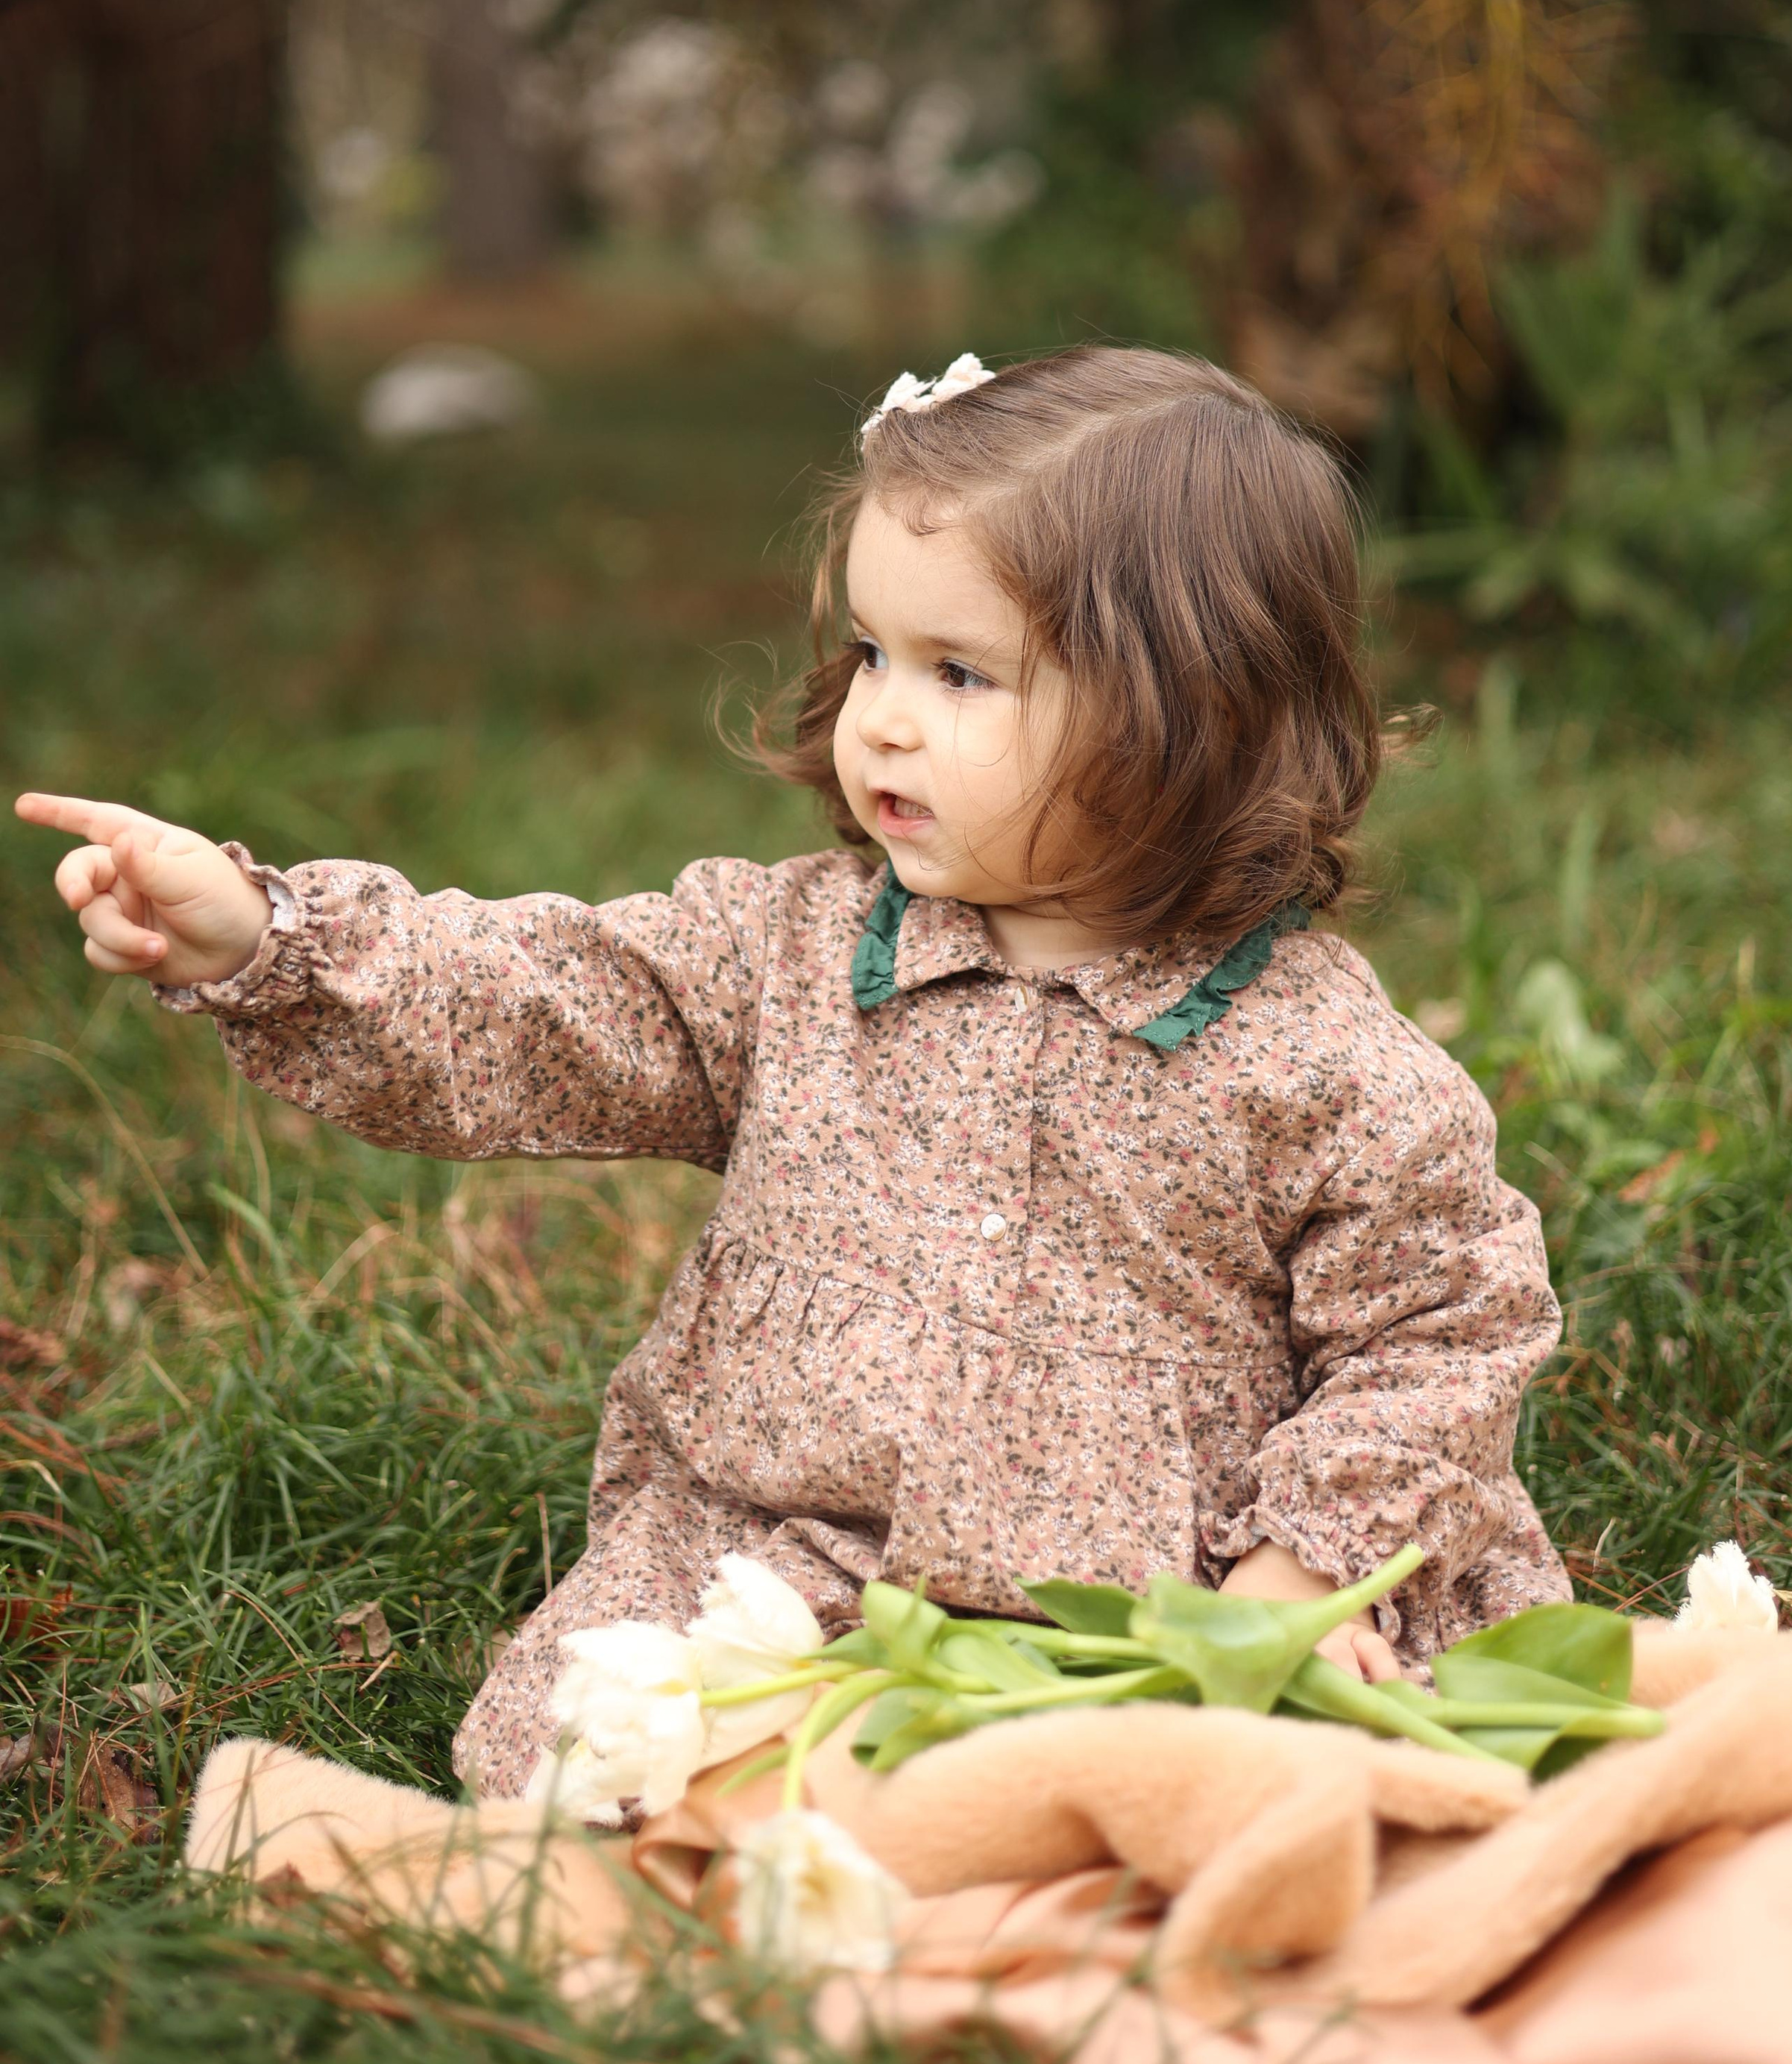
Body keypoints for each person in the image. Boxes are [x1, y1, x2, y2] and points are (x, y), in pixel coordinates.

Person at [16, 345, 1568, 1809]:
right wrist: (264, 941)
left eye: (962, 675)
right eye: (876, 651)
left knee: (1229, 1795)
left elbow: (1440, 1328)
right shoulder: (795, 955)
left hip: (1163, 1588)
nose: (882, 716)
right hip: (787, 1546)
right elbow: (538, 1004)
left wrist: (1296, 1574)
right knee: (587, 1752)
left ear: (1192, 718)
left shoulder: (1316, 1063)